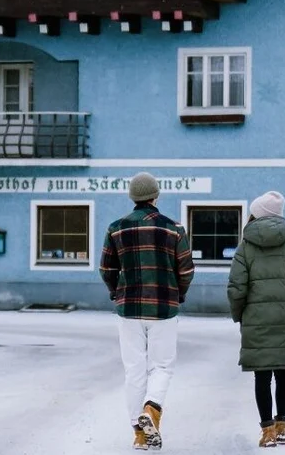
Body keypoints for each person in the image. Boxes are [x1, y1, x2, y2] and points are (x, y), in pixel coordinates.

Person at [101, 172, 196, 451]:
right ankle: (151, 410)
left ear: (133, 197)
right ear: (155, 196)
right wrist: (178, 292)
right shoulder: (173, 229)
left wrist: (116, 292)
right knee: (162, 366)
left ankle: (139, 434)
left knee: (133, 369)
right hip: (164, 306)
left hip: (128, 307)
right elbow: (187, 270)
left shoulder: (115, 228)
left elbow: (107, 269)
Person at [227, 190, 285, 448]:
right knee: (283, 372)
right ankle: (283, 428)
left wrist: (240, 315)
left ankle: (267, 433)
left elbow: (236, 288)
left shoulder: (244, 249)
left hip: (256, 319)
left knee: (262, 377)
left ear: (256, 215)